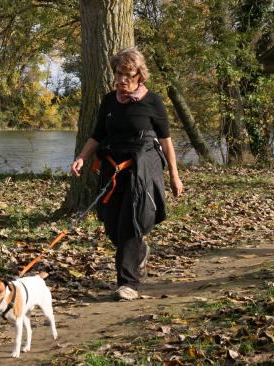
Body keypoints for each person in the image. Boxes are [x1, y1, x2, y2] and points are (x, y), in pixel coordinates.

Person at [71, 47, 183, 301]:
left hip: (142, 167)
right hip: (113, 166)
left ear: (139, 75)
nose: (122, 80)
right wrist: (81, 158)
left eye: (128, 74)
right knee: (112, 225)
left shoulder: (152, 102)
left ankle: (127, 283)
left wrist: (175, 176)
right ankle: (140, 251)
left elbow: (166, 141)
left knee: (130, 222)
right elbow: (97, 135)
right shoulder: (110, 101)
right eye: (119, 74)